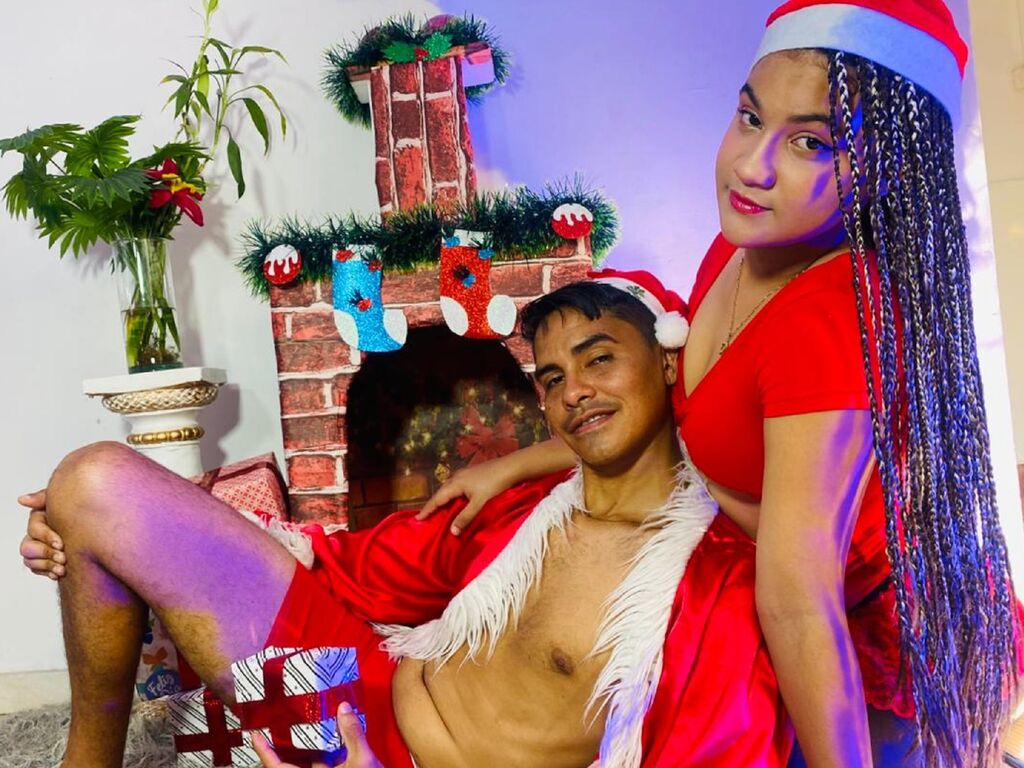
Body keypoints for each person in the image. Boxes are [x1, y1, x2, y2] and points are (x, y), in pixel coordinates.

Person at [417, 1, 1023, 765]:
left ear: (887, 171)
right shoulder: (741, 245)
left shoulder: (831, 320)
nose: (751, 166)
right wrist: (513, 466)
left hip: (861, 662)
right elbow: (672, 425)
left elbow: (799, 602)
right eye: (749, 118)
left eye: (810, 142)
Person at [18, 276, 792, 767]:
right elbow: (349, 566)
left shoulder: (714, 589)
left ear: (667, 359)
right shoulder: (519, 508)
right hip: (359, 690)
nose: (574, 393)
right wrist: (120, 540)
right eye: (553, 378)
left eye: (599, 359)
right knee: (93, 484)